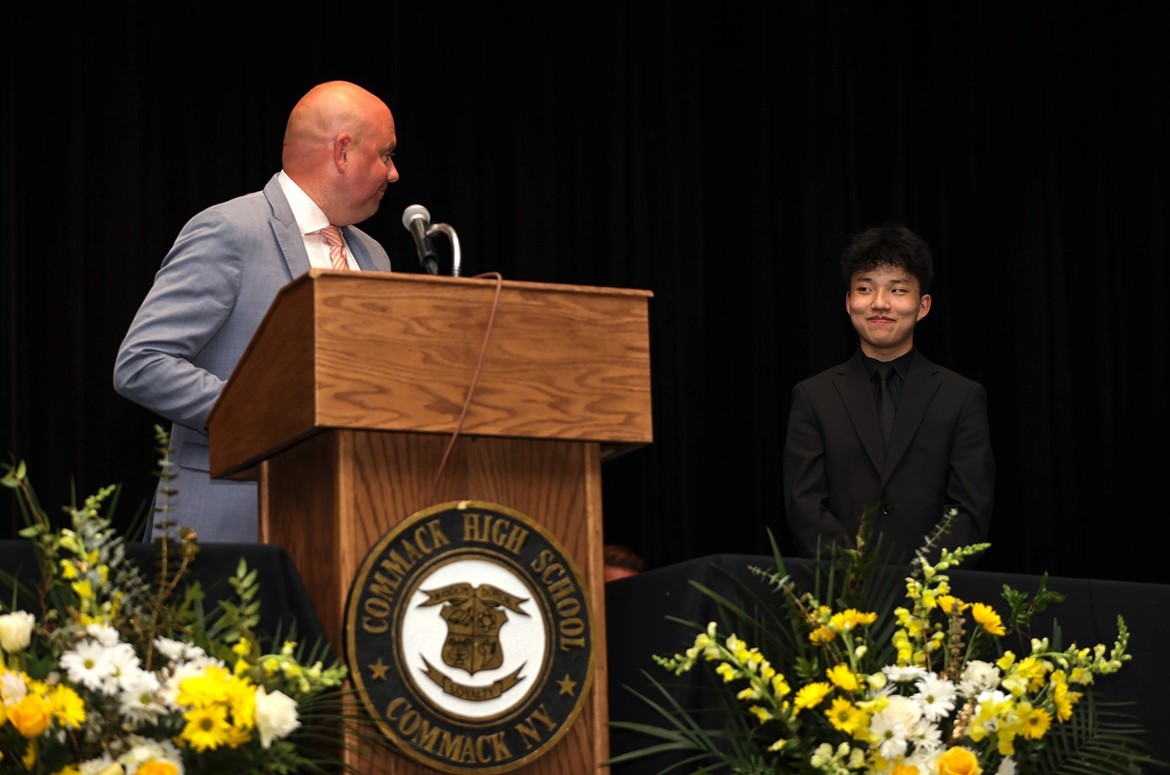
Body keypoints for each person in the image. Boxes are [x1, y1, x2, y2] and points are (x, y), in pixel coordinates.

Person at [113, 80, 399, 543]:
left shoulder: (375, 256)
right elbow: (142, 363)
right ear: (343, 152)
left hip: (347, 525)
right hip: (226, 525)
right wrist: (265, 414)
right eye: (385, 154)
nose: (393, 174)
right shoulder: (229, 231)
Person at [782, 221, 994, 565]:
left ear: (923, 305)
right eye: (865, 289)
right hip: (843, 598)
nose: (880, 304)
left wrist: (919, 581)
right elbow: (804, 505)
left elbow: (969, 509)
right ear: (849, 302)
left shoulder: (961, 396)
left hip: (932, 596)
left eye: (897, 290)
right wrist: (860, 576)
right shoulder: (813, 396)